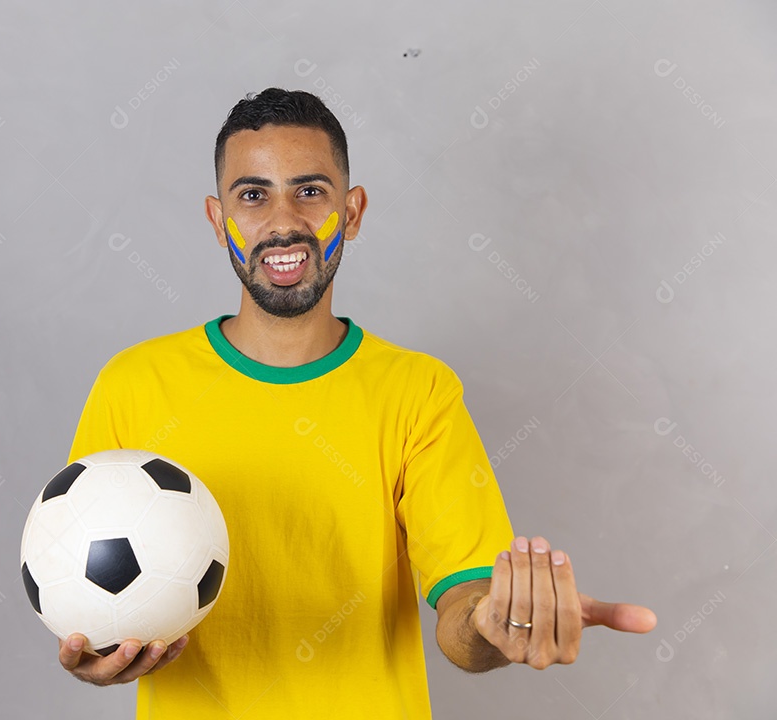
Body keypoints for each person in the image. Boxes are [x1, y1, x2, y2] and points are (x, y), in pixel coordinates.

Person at [57, 87, 658, 718]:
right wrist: (97, 653)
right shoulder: (133, 384)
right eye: (253, 195)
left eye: (310, 191)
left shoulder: (418, 392)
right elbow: (85, 590)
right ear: (218, 219)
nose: (284, 220)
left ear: (352, 211)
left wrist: (495, 625)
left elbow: (466, 604)